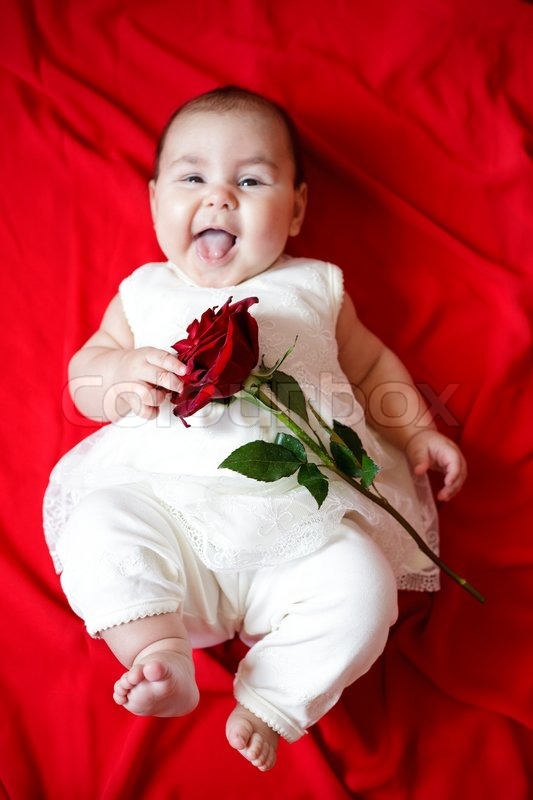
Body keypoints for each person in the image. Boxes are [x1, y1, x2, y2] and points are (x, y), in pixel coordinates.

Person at [43, 86, 467, 772]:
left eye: (248, 180)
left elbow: (372, 367)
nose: (218, 197)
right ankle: (157, 654)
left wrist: (417, 432)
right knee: (99, 522)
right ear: (155, 203)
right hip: (171, 529)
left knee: (364, 586)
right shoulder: (144, 291)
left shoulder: (315, 287)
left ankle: (273, 697)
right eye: (192, 178)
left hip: (300, 531)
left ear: (295, 207)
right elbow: (82, 375)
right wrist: (119, 371)